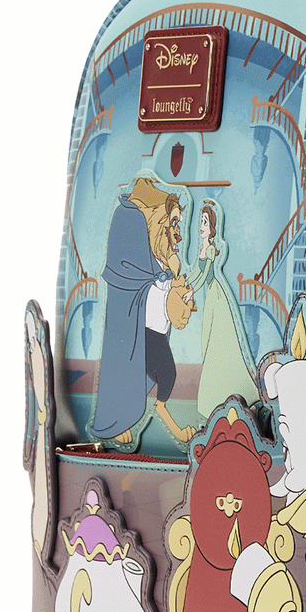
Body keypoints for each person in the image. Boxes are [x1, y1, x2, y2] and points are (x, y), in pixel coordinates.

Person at [91, 177, 196, 446]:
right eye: (173, 222)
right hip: (145, 334)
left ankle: (159, 414)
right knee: (163, 374)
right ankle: (123, 421)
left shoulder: (159, 260)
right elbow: (137, 280)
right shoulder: (139, 259)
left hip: (154, 333)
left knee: (165, 375)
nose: (178, 232)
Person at [183, 201, 260, 421]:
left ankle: (225, 397)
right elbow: (195, 272)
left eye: (206, 222)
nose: (202, 226)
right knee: (207, 343)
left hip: (216, 295)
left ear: (213, 227)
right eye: (201, 221)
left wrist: (191, 290)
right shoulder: (201, 247)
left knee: (216, 343)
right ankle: (213, 399)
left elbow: (206, 272)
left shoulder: (210, 249)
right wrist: (185, 284)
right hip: (209, 295)